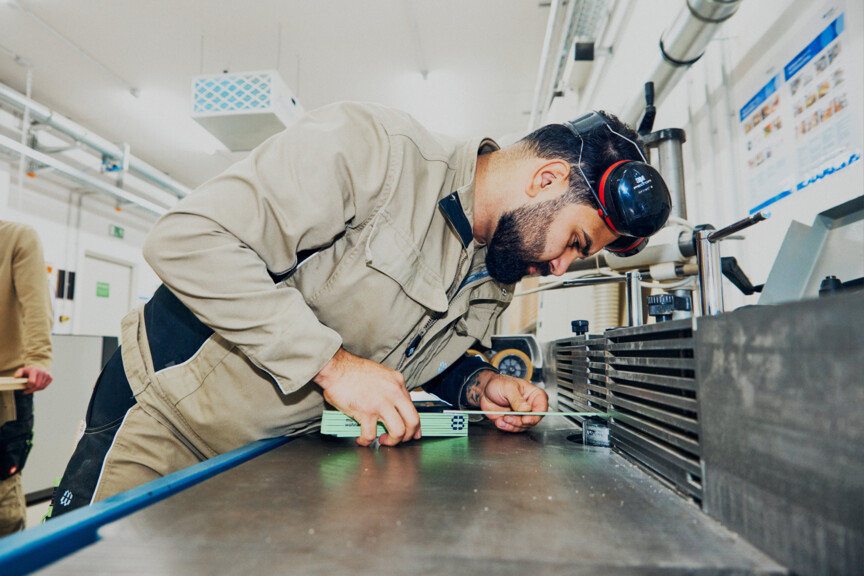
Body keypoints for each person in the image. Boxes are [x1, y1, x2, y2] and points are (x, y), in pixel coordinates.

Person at [49, 102, 670, 518]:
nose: (560, 267)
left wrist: (476, 383)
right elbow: (186, 241)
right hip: (160, 416)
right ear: (546, 180)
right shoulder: (376, 155)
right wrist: (334, 366)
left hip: (263, 456)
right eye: (575, 243)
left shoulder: (497, 268)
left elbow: (407, 353)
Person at [0, 220, 53, 535]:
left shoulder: (17, 238)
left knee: (2, 501)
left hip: (5, 393)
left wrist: (38, 359)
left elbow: (36, 304)